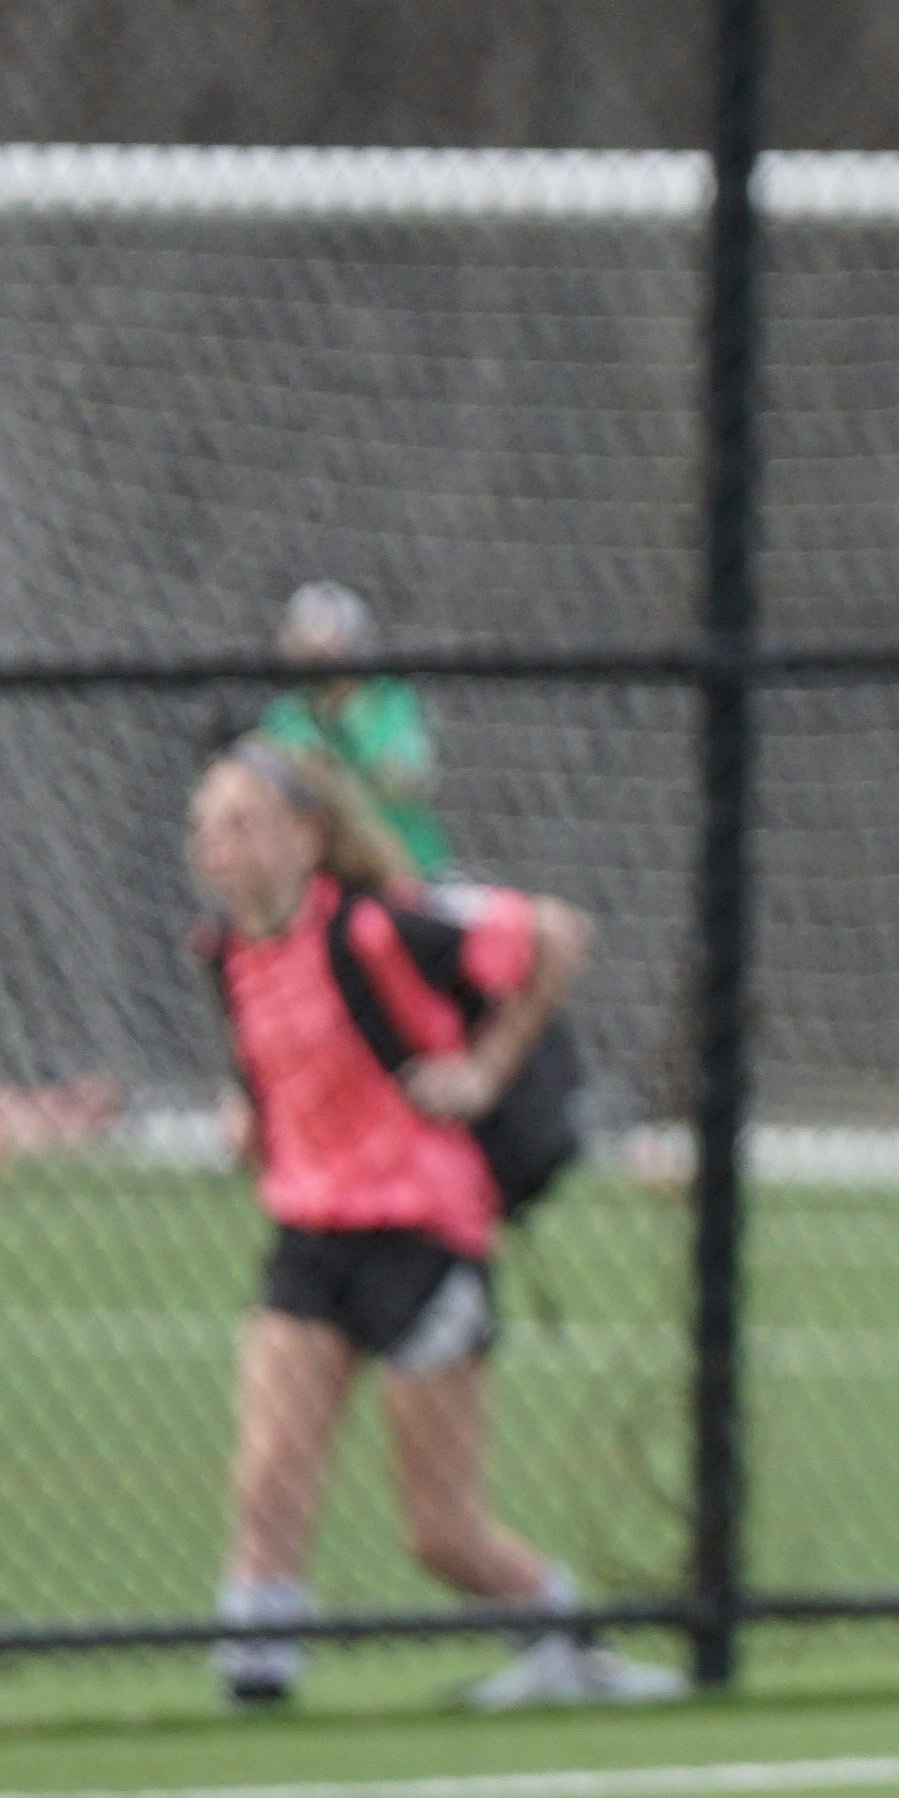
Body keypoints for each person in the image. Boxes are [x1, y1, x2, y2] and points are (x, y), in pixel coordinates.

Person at [183, 743, 661, 1716]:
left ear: (309, 835)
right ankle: (256, 1679)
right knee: (270, 1467)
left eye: (244, 825)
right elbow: (271, 1072)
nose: (220, 849)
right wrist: (250, 1119)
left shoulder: (379, 924)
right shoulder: (226, 950)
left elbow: (554, 934)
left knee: (440, 1529)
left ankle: (566, 1637)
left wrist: (482, 1072)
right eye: (206, 830)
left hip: (423, 1232)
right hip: (310, 1234)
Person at [258, 582, 453, 880]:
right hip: (323, 877)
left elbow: (406, 777)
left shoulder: (389, 701)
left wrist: (347, 727)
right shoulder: (287, 716)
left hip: (412, 869)